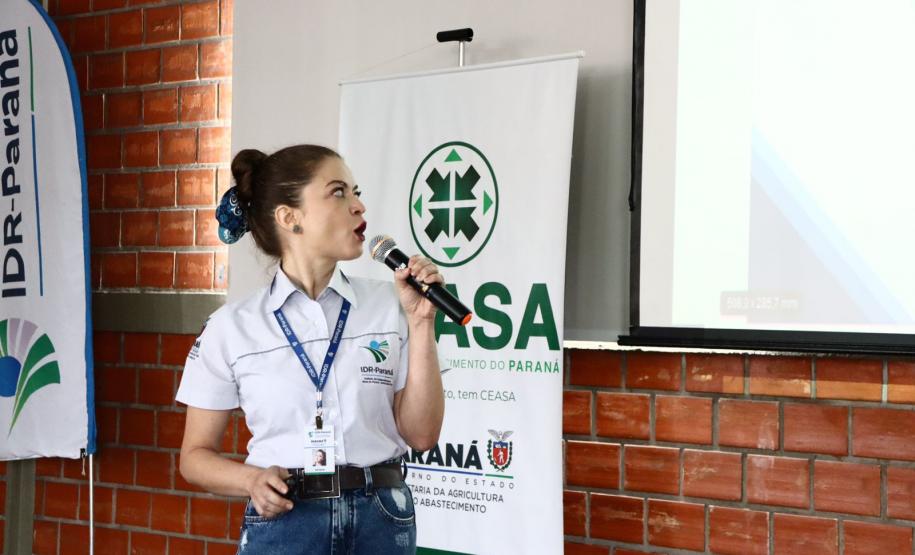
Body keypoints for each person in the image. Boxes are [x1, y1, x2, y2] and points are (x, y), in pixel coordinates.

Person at [175, 144, 445, 554]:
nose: (358, 206)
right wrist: (250, 480)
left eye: (356, 192)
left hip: (382, 515)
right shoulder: (231, 326)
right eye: (338, 192)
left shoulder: (392, 305)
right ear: (290, 218)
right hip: (287, 518)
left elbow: (422, 435)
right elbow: (194, 457)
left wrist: (422, 322)